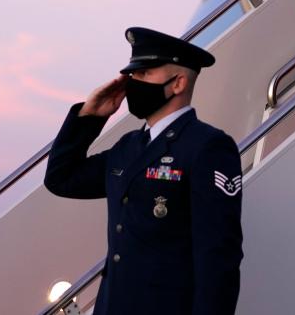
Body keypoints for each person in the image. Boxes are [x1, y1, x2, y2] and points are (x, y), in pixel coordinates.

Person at [44, 27, 243, 315]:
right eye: (133, 75)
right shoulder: (129, 146)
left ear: (178, 83)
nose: (134, 83)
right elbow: (61, 178)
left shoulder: (207, 147)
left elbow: (218, 255)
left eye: (145, 74)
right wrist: (90, 116)